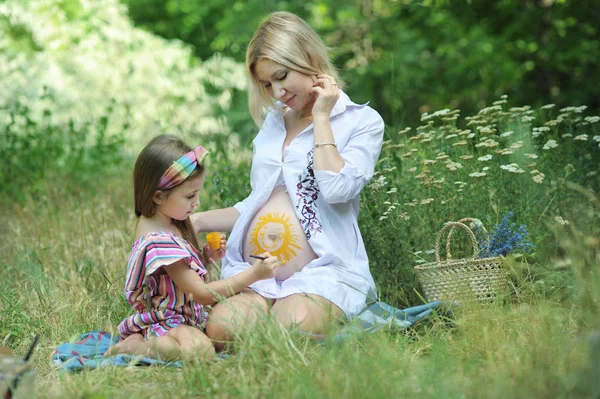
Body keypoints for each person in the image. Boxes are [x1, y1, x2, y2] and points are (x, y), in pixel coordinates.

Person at [191, 11, 385, 349]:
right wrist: (195, 221)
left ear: (308, 58)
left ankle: (300, 310)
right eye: (267, 84)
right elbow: (257, 203)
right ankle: (266, 307)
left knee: (291, 328)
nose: (277, 92)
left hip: (323, 273)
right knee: (222, 330)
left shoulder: (361, 122)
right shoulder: (274, 123)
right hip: (256, 274)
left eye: (282, 76)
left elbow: (338, 190)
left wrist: (322, 117)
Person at [105, 134, 281, 361]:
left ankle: (143, 341)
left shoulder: (166, 221)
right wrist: (255, 274)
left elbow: (173, 281)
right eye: (190, 195)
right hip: (168, 321)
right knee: (202, 351)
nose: (196, 203)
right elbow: (201, 294)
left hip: (180, 318)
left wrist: (205, 258)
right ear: (158, 196)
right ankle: (139, 348)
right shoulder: (159, 241)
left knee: (203, 344)